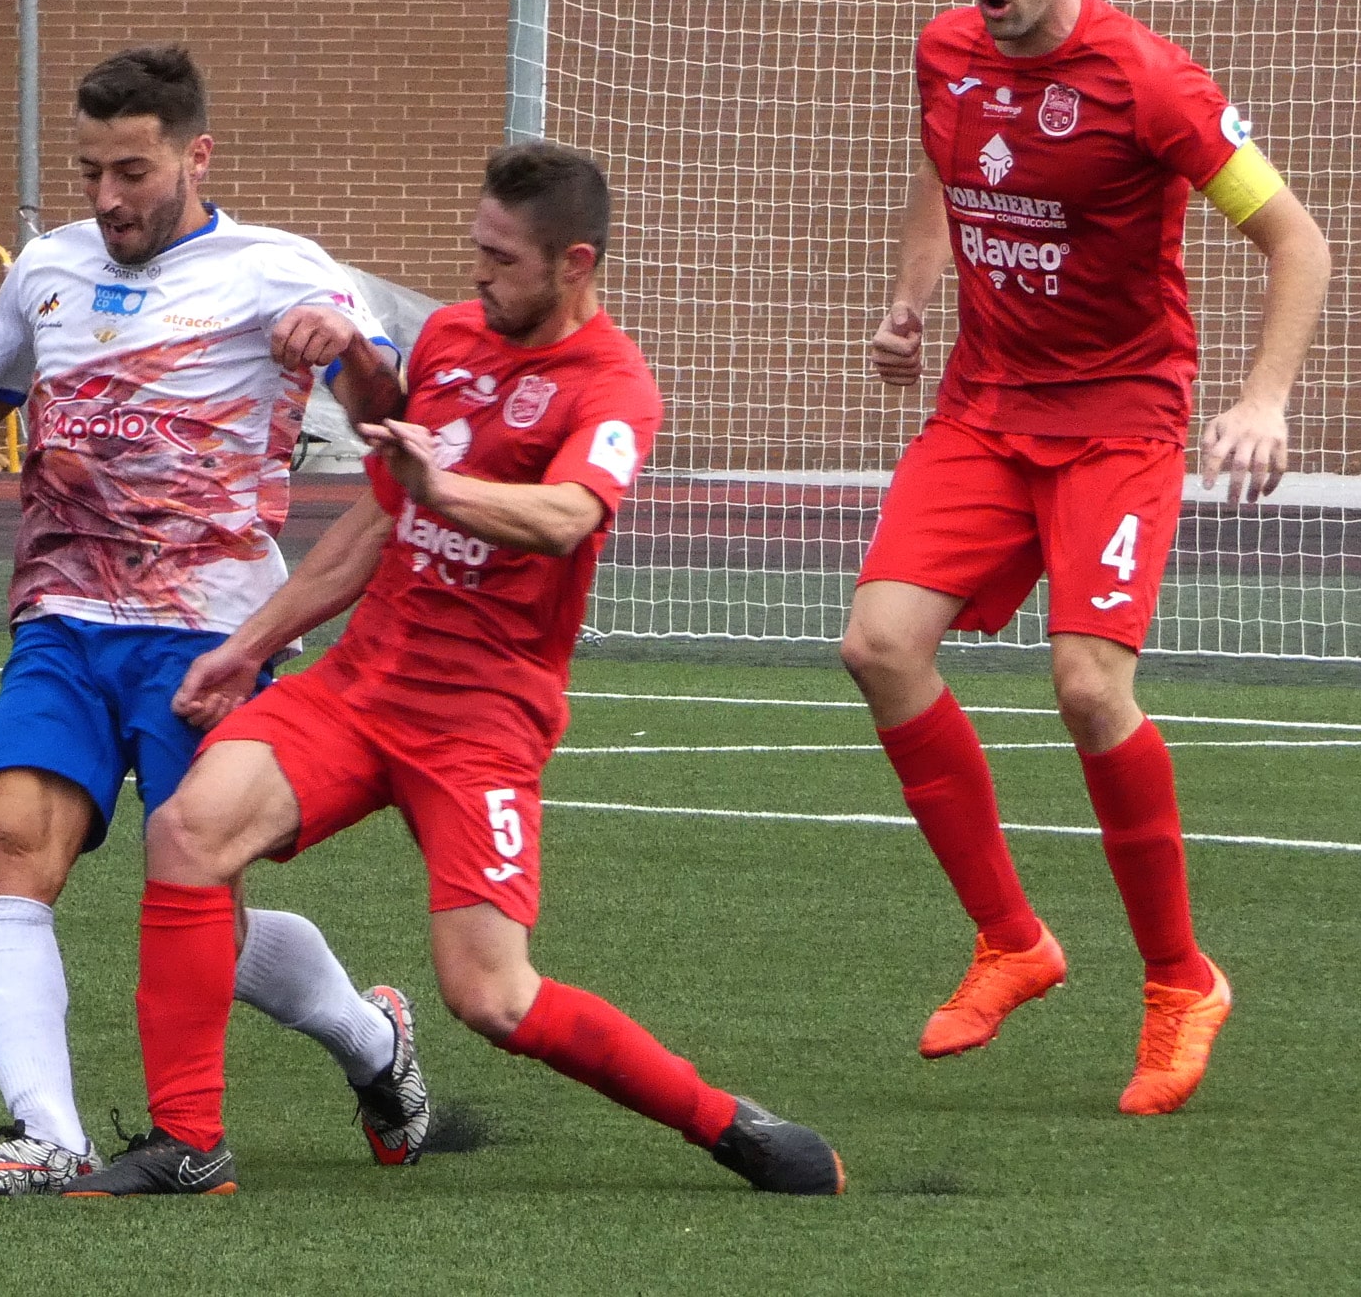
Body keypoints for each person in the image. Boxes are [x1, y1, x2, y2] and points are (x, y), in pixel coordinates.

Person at [59, 141, 844, 1199]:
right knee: (188, 831)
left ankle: (726, 1123)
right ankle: (186, 1143)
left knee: (492, 996)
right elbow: (376, 521)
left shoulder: (613, 386)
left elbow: (569, 518)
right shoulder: (457, 342)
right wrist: (244, 650)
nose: (475, 275)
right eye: (473, 251)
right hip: (359, 685)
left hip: (483, 721)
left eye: (499, 258)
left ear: (573, 263)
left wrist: (447, 484)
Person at [0, 43, 432, 1192]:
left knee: (202, 914)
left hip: (211, 637)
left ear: (196, 154)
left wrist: (351, 357)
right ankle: (46, 1133)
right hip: (63, 621)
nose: (107, 198)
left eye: (131, 170)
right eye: (90, 171)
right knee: (7, 846)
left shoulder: (280, 269)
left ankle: (372, 1037)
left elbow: (390, 418)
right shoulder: (46, 269)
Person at [841, 0, 1330, 1114]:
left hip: (1117, 418)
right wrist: (907, 303)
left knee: (1083, 684)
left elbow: (1295, 241)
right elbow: (944, 184)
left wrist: (1263, 398)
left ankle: (1179, 980)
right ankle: (1012, 940)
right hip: (985, 409)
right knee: (880, 645)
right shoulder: (945, 53)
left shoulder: (1149, 82)